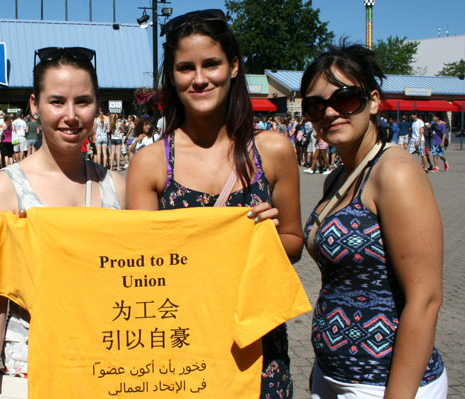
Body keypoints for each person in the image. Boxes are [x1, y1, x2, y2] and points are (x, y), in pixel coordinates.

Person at [125, 9, 303, 398]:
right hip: (181, 346)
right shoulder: (150, 163)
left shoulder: (272, 150)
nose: (200, 78)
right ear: (172, 77)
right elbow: (142, 266)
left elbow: (294, 241)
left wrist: (268, 238)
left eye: (212, 64)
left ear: (234, 66)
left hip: (257, 347)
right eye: (186, 68)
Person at [0, 46, 126, 399]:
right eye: (57, 101)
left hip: (107, 373)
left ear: (97, 106)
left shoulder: (116, 188)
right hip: (29, 376)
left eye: (83, 101)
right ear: (34, 105)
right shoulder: (3, 190)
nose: (71, 115)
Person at [300, 42, 447, 398]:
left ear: (374, 101)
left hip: (383, 384)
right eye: (316, 106)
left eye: (346, 99)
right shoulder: (337, 177)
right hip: (334, 376)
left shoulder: (395, 173)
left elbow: (425, 299)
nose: (330, 113)